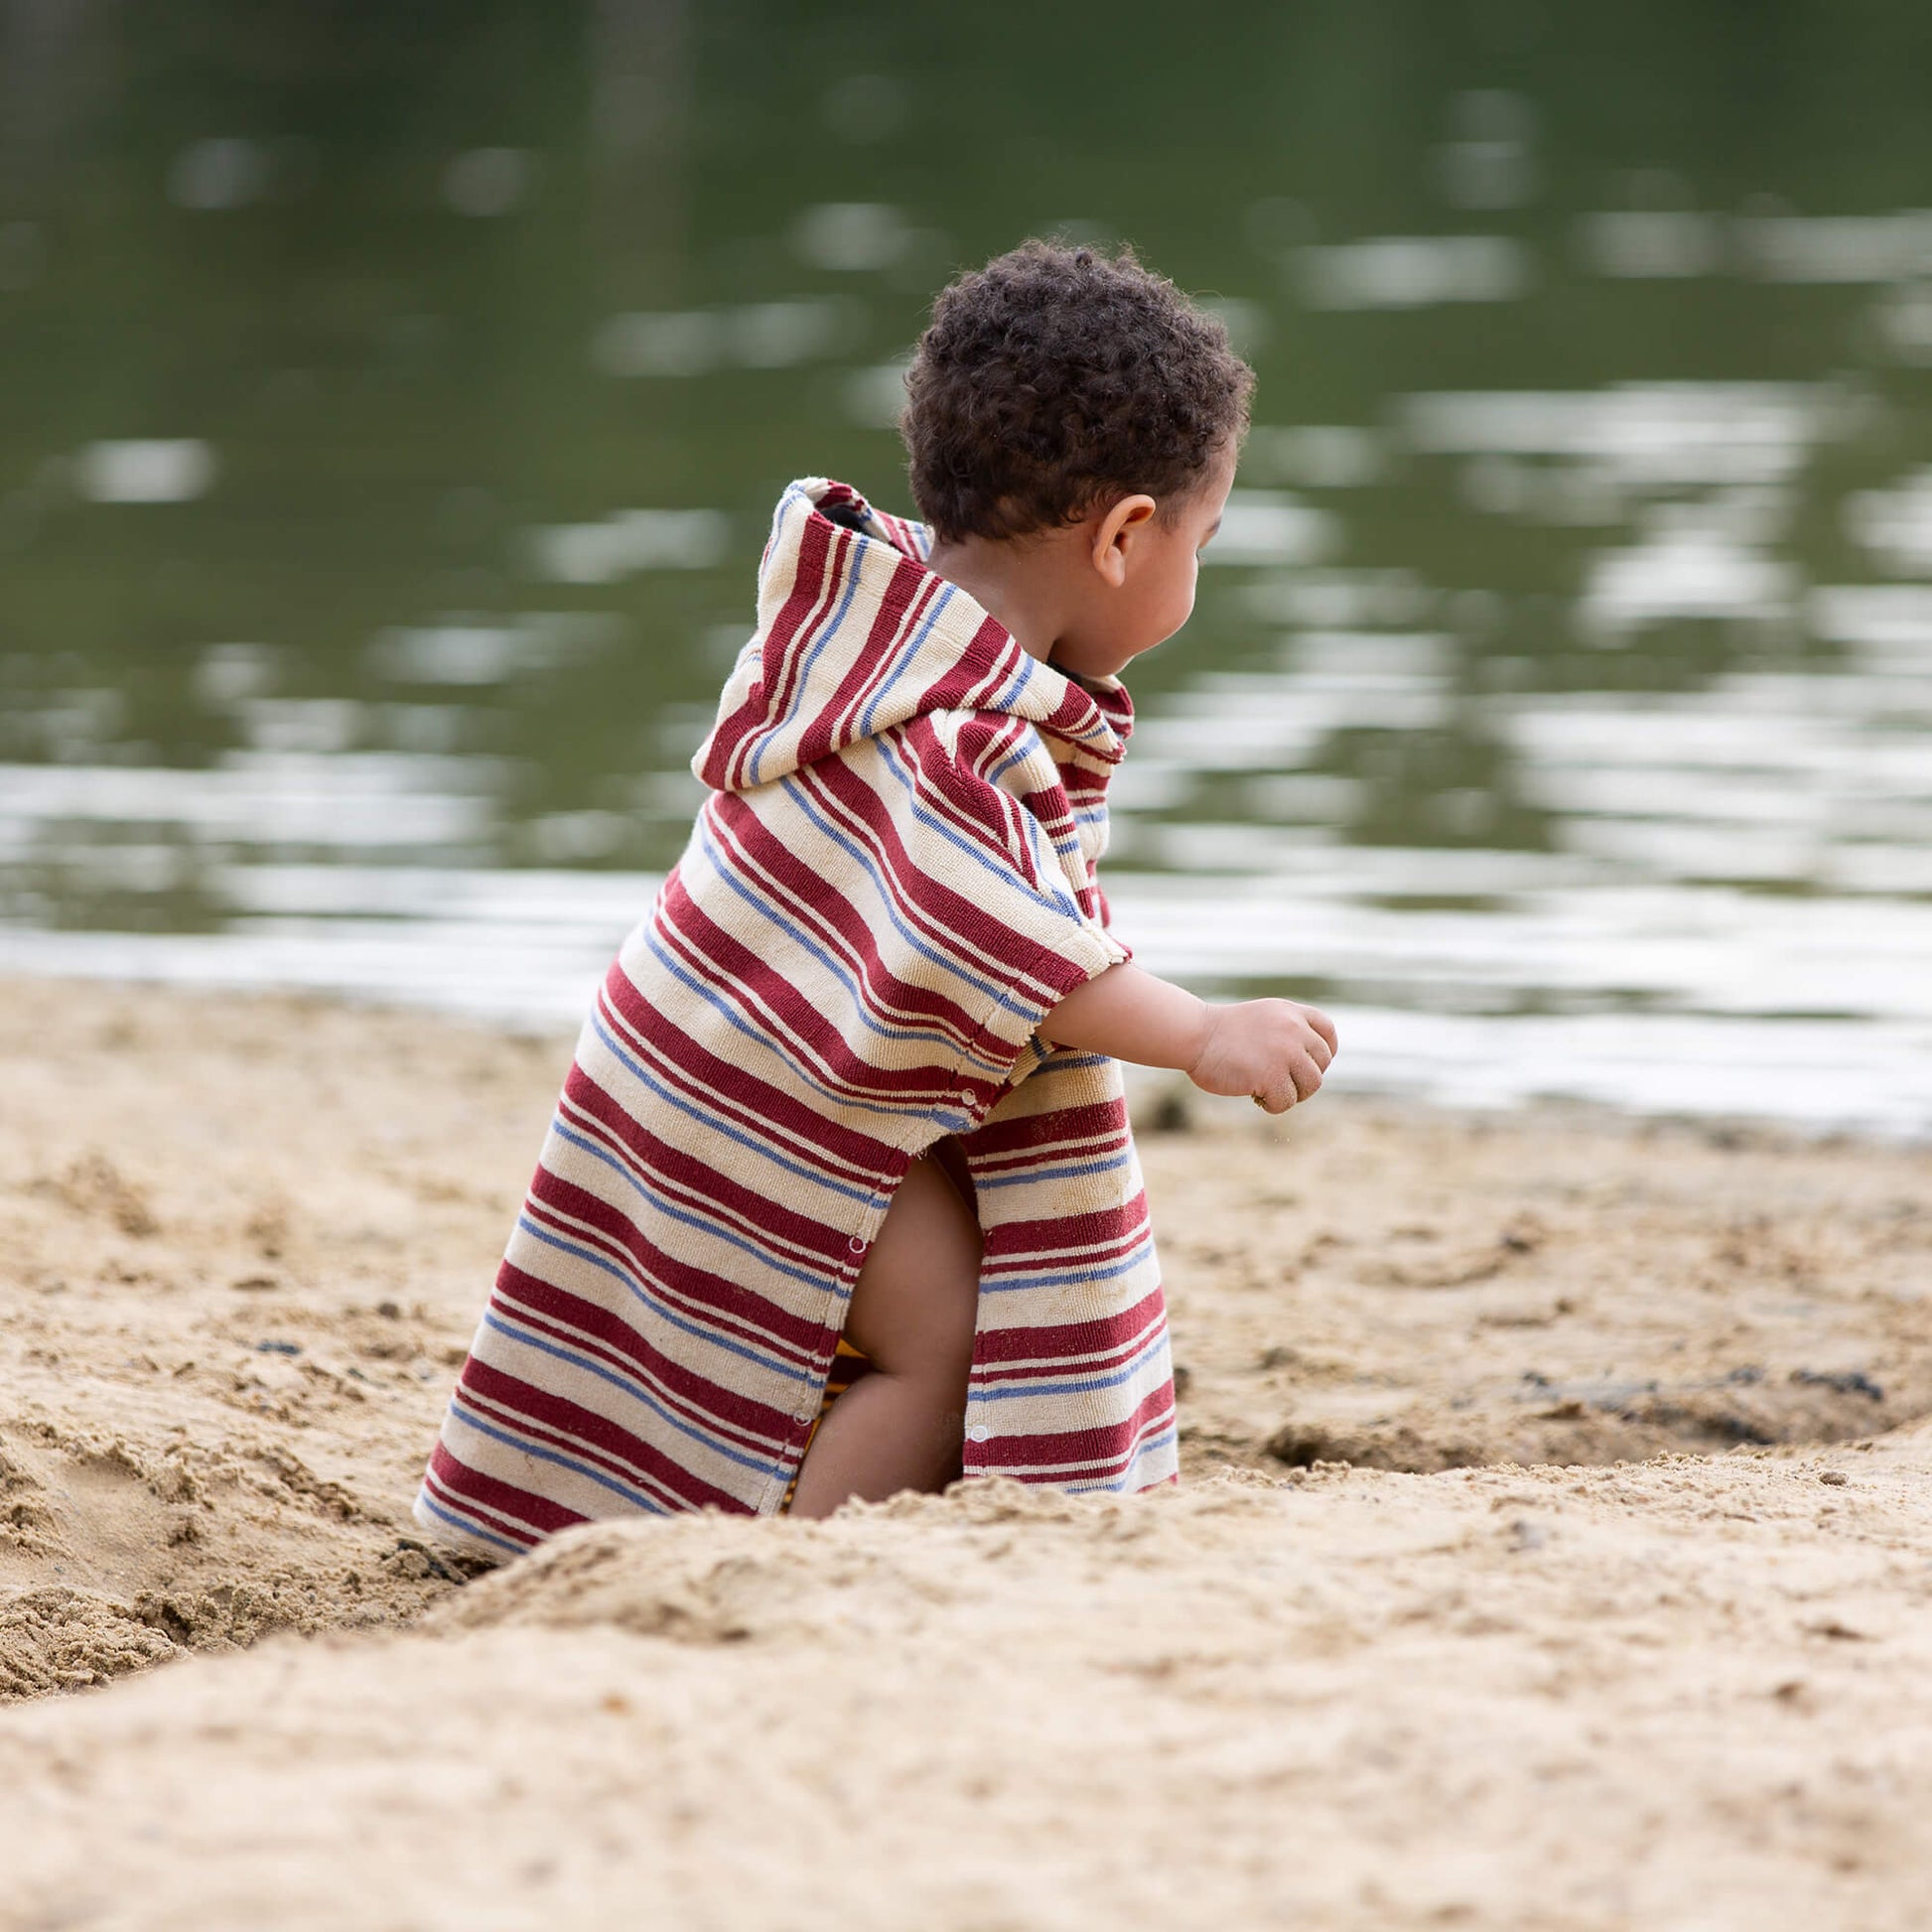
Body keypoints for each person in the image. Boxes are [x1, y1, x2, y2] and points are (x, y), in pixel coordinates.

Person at [414, 239, 1336, 1558]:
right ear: (1128, 536)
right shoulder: (942, 730)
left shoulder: (882, 643)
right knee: (940, 1334)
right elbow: (998, 940)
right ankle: (807, 1571)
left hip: (707, 1052)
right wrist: (1199, 1031)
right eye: (1207, 537)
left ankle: (738, 1514)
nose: (1201, 566)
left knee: (879, 1293)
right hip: (740, 1086)